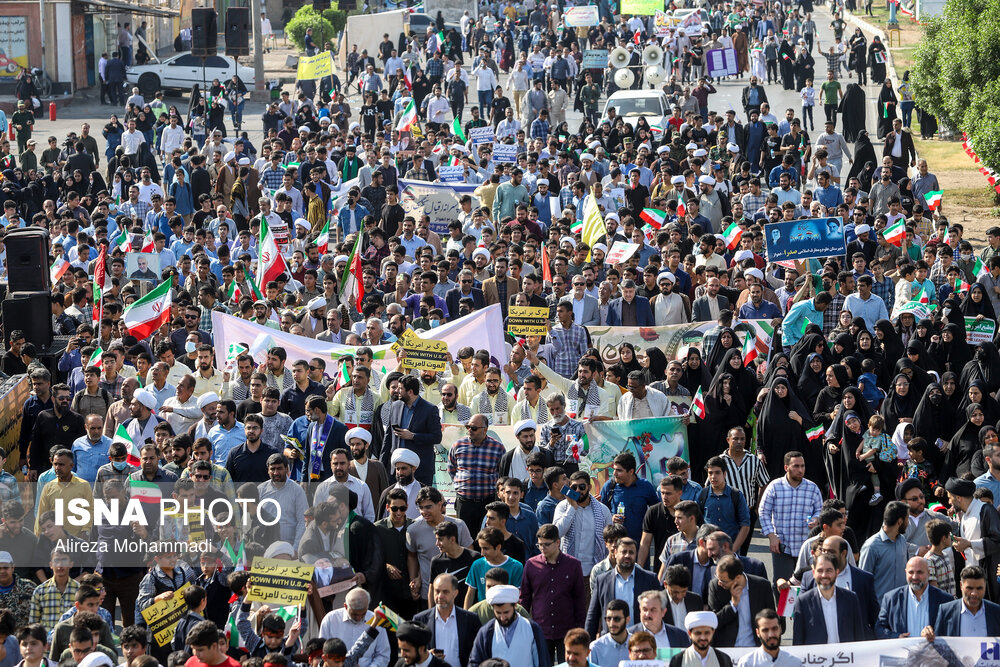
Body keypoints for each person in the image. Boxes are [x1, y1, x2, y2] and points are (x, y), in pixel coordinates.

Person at [792, 553, 868, 644]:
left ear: (837, 572)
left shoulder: (851, 599)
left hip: (845, 657)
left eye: (829, 570)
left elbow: (859, 637)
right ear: (813, 573)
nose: (824, 575)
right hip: (816, 657)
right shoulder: (803, 602)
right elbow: (798, 641)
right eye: (820, 571)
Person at [469, 584, 551, 667]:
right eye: (498, 613)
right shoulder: (486, 632)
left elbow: (542, 661)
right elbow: (475, 663)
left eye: (506, 612)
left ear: (515, 605)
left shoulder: (532, 628)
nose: (502, 617)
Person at [874, 557, 952, 639]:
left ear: (929, 573)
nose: (915, 577)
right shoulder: (891, 599)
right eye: (911, 572)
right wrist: (897, 637)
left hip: (933, 651)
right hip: (903, 651)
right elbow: (879, 629)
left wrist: (934, 635)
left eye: (919, 572)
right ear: (905, 573)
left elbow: (951, 631)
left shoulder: (945, 600)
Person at [667, 612, 732, 667]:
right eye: (698, 633)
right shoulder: (678, 661)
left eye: (707, 633)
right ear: (689, 634)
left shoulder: (723, 660)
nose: (703, 637)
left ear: (713, 632)